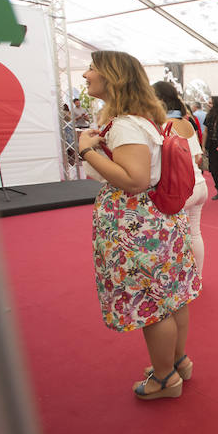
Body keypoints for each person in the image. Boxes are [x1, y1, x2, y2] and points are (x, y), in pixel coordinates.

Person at [77, 51, 201, 400]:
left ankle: (164, 379)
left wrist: (88, 151)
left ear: (112, 77)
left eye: (92, 69)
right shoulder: (139, 121)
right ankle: (177, 362)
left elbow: (134, 180)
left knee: (152, 304)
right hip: (157, 222)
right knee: (171, 298)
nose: (86, 75)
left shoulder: (126, 125)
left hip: (138, 226)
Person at [152, 81, 208, 271]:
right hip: (199, 183)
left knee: (170, 235)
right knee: (195, 233)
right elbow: (198, 156)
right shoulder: (187, 123)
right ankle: (197, 277)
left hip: (182, 187)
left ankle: (175, 279)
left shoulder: (164, 125)